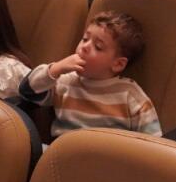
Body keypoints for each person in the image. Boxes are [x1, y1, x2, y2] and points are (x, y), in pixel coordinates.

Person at [19, 11, 161, 137]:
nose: (85, 47)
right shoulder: (66, 82)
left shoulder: (130, 94)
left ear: (118, 64)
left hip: (108, 162)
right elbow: (27, 91)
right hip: (61, 156)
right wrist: (55, 69)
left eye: (98, 47)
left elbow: (152, 142)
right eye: (85, 39)